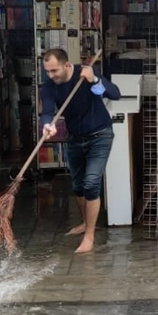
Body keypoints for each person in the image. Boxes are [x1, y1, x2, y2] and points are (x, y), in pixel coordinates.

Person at [40, 49, 121, 253]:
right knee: (78, 186)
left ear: (67, 66)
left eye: (54, 71)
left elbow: (115, 94)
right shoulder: (49, 86)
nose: (51, 75)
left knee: (91, 183)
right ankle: (86, 223)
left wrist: (94, 80)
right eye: (47, 71)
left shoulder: (86, 74)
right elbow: (48, 110)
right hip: (75, 138)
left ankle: (89, 236)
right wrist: (47, 125)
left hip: (100, 135)